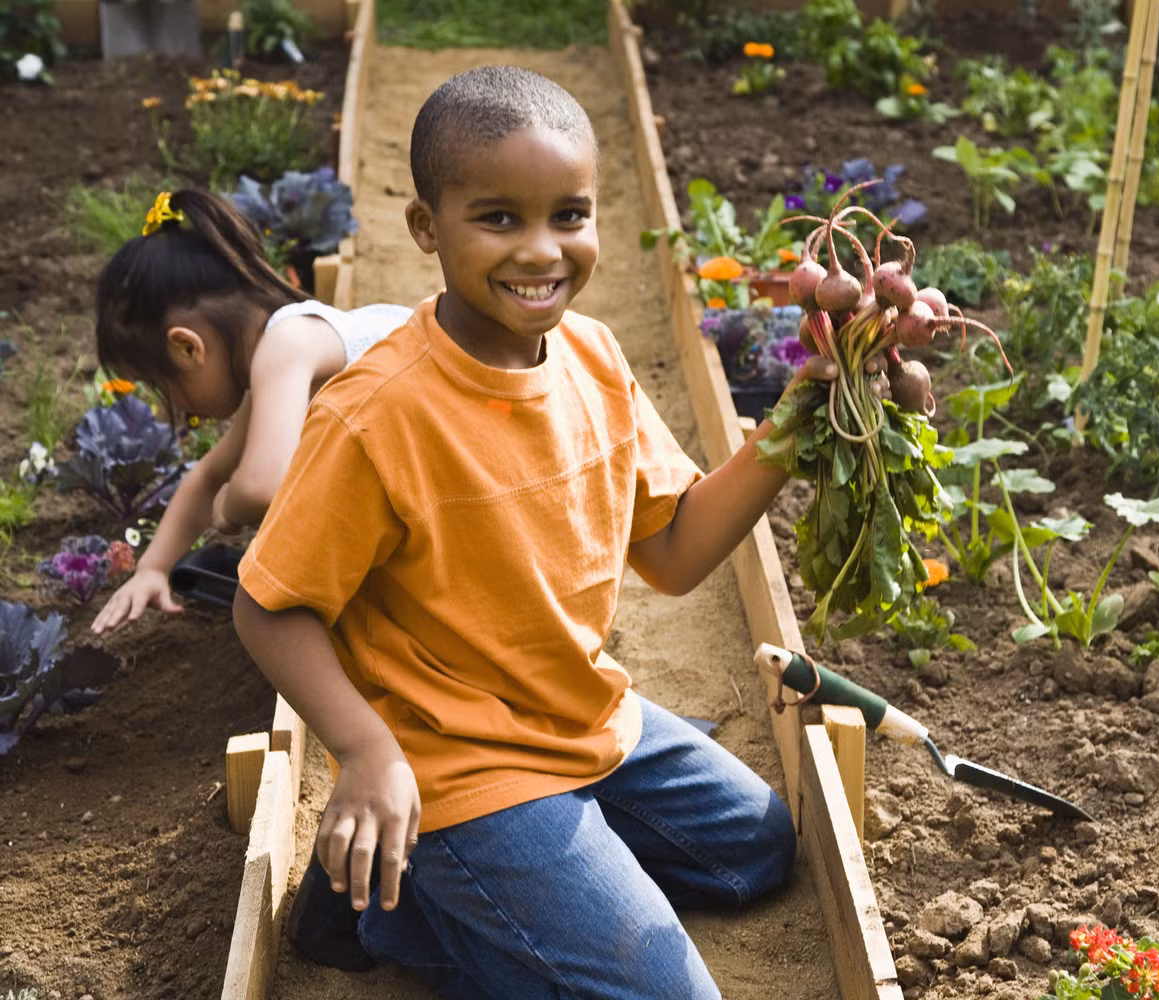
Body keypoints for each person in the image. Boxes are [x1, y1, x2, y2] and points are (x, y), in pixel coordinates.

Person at [232, 65, 807, 998]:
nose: (542, 252)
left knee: (755, 848)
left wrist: (802, 419)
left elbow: (673, 551)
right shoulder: (377, 416)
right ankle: (413, 893)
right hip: (453, 761)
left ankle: (427, 900)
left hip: (579, 717)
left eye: (569, 216)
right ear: (428, 228)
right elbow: (268, 606)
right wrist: (371, 750)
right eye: (499, 218)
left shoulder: (593, 355)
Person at [89, 189, 412, 634]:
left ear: (187, 347)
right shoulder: (282, 351)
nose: (174, 409)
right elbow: (206, 476)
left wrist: (228, 509)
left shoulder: (286, 345)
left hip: (480, 488)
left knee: (260, 612)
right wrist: (153, 568)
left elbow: (260, 486)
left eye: (161, 387)